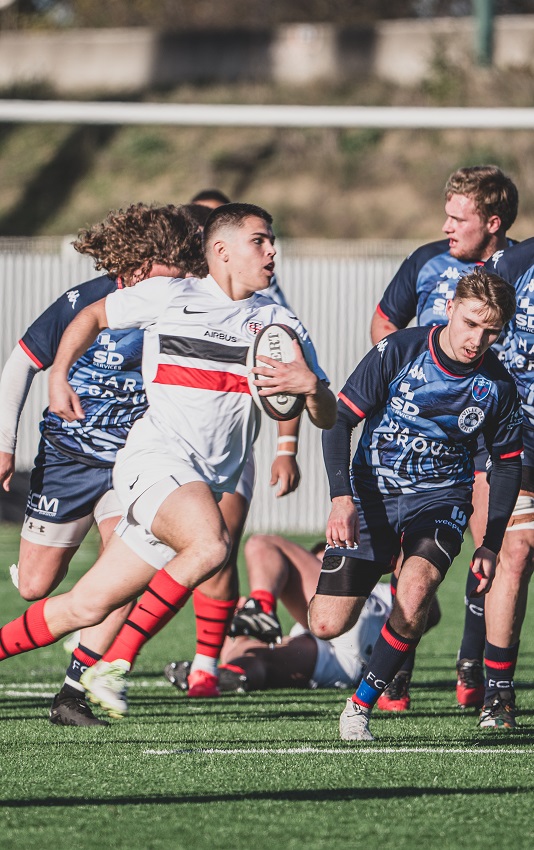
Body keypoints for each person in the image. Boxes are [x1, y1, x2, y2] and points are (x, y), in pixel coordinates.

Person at [0, 202, 336, 722]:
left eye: (272, 241)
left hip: (200, 483)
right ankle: (111, 667)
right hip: (152, 462)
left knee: (84, 606)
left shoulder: (279, 325)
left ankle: (83, 666)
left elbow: (326, 415)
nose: (272, 251)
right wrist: (59, 371)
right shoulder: (171, 294)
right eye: (260, 241)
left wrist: (311, 389)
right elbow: (91, 315)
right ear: (222, 251)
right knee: (211, 545)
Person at [0, 202, 205, 727]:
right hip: (68, 457)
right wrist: (4, 443)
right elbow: (23, 359)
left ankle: (72, 692)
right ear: (142, 261)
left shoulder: (186, 303)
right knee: (34, 587)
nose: (184, 275)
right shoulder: (87, 300)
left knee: (123, 570)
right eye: (176, 263)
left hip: (134, 460)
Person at [309, 268, 522, 741]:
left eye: (491, 331)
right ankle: (382, 589)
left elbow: (506, 464)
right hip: (370, 494)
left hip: (441, 499)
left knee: (417, 590)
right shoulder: (401, 350)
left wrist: (489, 543)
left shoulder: (498, 385)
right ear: (450, 309)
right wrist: (340, 496)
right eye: (470, 323)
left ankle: (359, 706)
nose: (476, 339)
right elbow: (339, 421)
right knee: (326, 624)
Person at [370, 165, 519, 711]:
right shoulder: (427, 260)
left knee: (488, 548)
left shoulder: (520, 270)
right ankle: (398, 673)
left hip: (489, 424)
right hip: (424, 434)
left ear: (493, 222)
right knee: (409, 560)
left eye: (460, 217)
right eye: (447, 214)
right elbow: (385, 326)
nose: (447, 225)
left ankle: (472, 667)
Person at [170, 189, 301, 700]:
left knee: (217, 550)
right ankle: (104, 656)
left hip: (231, 448)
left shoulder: (266, 303)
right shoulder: (168, 290)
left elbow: (288, 369)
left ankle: (205, 664)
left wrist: (285, 448)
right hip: (167, 444)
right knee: (134, 555)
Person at [165, 536, 394, 693]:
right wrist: (233, 625)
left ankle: (261, 605)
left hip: (354, 632)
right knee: (253, 657)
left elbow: (428, 613)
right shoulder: (381, 594)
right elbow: (423, 615)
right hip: (348, 668)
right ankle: (228, 676)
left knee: (262, 544)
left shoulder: (375, 590)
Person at [477, 238, 534, 728]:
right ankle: (498, 692)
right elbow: (472, 330)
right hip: (523, 432)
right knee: (515, 552)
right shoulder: (513, 264)